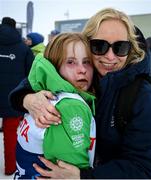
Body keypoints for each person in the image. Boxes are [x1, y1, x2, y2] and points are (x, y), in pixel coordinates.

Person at [9, 8, 151, 179]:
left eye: (120, 47)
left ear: (131, 48)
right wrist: (27, 98)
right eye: (100, 46)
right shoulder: (84, 72)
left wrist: (84, 177)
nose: (110, 57)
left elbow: (141, 167)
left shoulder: (141, 95)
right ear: (87, 43)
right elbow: (41, 76)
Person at [14, 33, 96, 179]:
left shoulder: (47, 95)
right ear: (54, 66)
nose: (82, 69)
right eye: (70, 62)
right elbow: (70, 166)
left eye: (87, 62)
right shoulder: (71, 106)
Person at [0, 17, 34, 175]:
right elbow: (31, 75)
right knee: (11, 135)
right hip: (12, 98)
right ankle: (10, 168)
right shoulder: (23, 48)